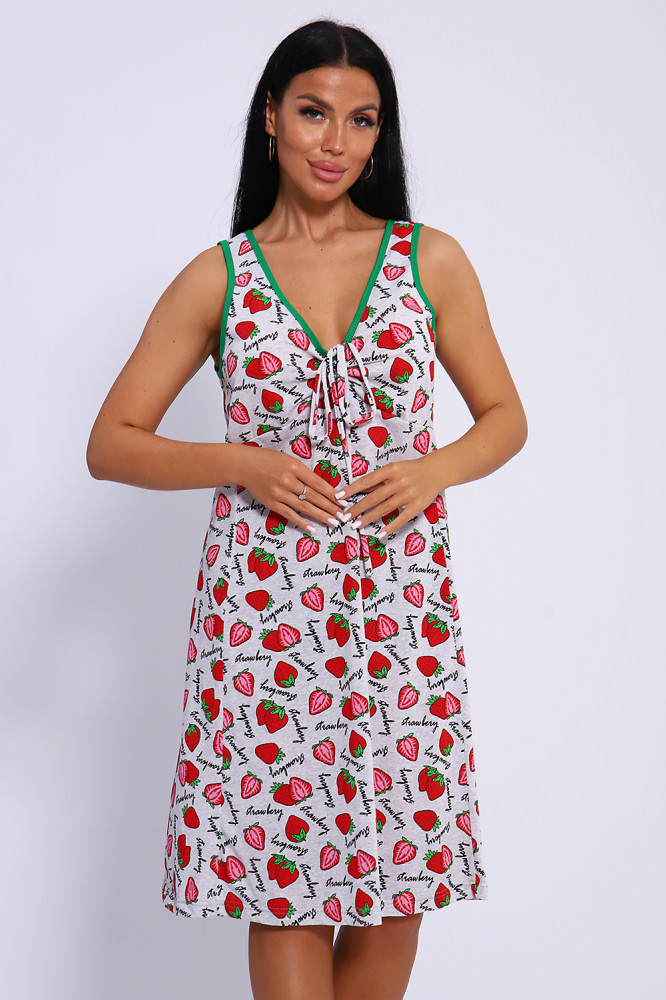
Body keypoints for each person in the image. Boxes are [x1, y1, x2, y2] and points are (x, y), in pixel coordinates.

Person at [87, 16, 527, 1000]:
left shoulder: (431, 260)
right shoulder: (220, 276)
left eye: (362, 120)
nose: (337, 141)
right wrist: (240, 461)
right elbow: (110, 442)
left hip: (402, 612)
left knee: (399, 877)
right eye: (315, 112)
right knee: (283, 884)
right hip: (263, 618)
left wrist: (435, 469)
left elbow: (505, 418)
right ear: (271, 118)